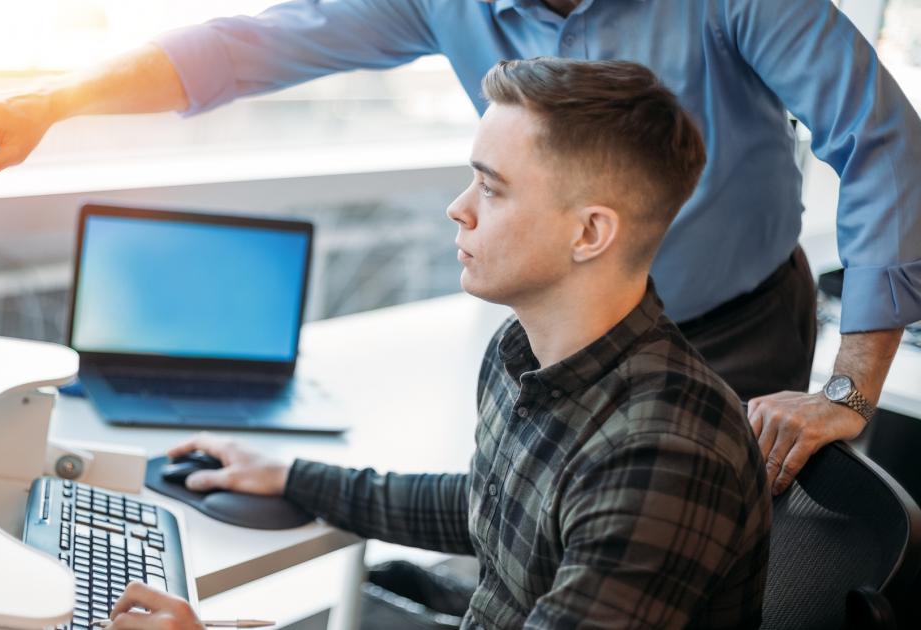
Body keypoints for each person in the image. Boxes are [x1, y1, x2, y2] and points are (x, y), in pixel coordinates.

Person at [0, 0, 921, 495]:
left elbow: (880, 141)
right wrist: (54, 101)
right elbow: (251, 46)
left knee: (652, 558)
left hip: (728, 328)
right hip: (566, 329)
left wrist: (847, 389)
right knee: (523, 530)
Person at [95, 57, 770, 630]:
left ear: (589, 234)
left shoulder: (661, 455)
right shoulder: (523, 354)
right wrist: (291, 477)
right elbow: (486, 506)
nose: (459, 207)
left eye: (492, 187)